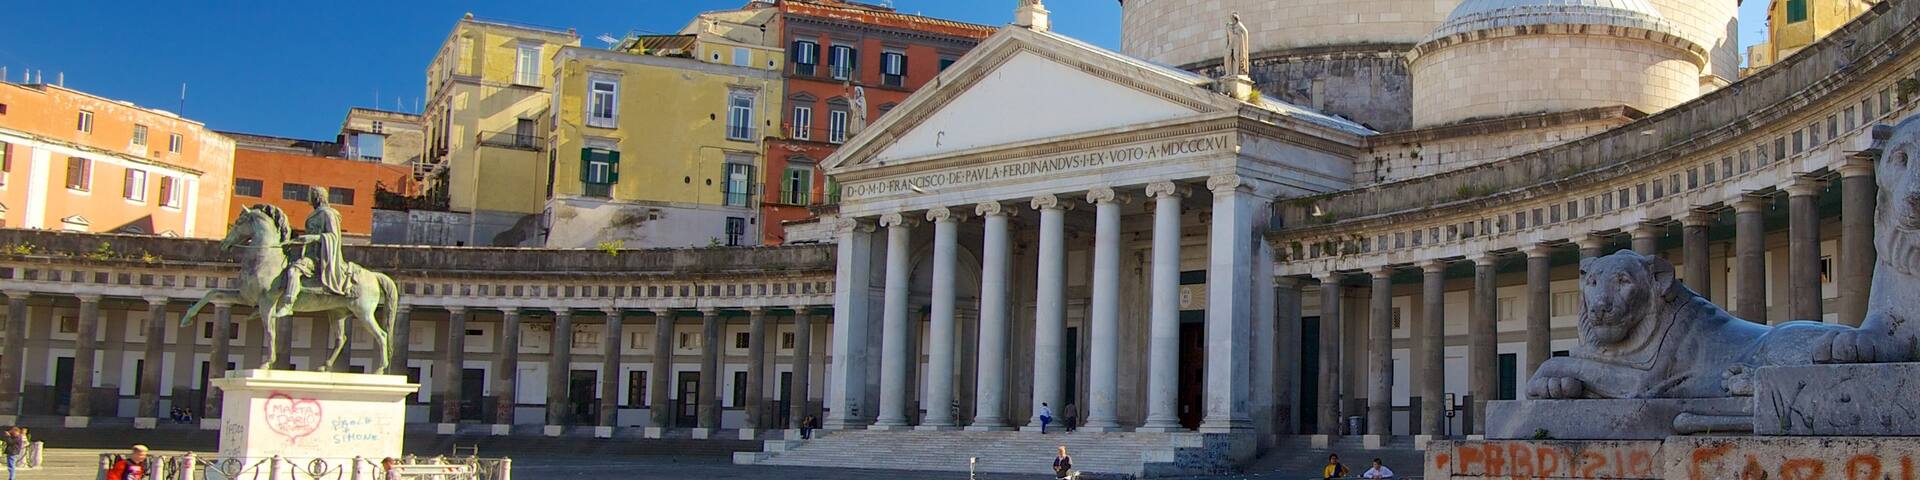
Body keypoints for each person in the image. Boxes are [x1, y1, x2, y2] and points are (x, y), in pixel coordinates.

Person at [276, 186, 353, 318]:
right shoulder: (315, 214)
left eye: (310, 196)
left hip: (318, 256)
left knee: (294, 271)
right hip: (308, 252)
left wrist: (313, 238)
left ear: (317, 198)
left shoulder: (328, 214)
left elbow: (334, 237)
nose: (308, 199)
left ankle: (288, 304)